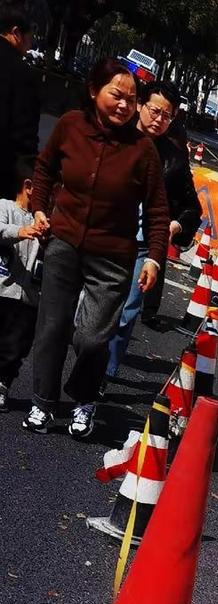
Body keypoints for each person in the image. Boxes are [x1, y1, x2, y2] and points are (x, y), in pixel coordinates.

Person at [25, 57, 168, 437]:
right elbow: (44, 169)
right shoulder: (70, 125)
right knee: (51, 328)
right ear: (93, 91)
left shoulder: (143, 151)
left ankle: (84, 397)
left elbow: (156, 209)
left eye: (131, 99)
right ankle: (43, 402)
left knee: (92, 338)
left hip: (113, 257)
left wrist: (154, 257)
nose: (124, 105)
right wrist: (39, 209)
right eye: (116, 95)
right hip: (64, 243)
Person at [105, 79, 200, 378]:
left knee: (125, 314)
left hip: (142, 245)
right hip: (101, 234)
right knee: (86, 311)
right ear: (141, 105)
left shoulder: (173, 157)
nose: (159, 119)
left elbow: (192, 209)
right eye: (154, 111)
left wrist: (173, 225)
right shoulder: (113, 133)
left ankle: (103, 376)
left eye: (167, 115)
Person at [0, 151, 38, 405]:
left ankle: (3, 383)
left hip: (28, 297)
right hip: (2, 289)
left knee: (17, 345)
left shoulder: (45, 220)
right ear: (29, 186)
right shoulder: (5, 207)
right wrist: (21, 231)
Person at [0, 3, 39, 196]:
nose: (29, 45)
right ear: (16, 33)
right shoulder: (22, 75)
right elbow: (24, 138)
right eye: (29, 38)